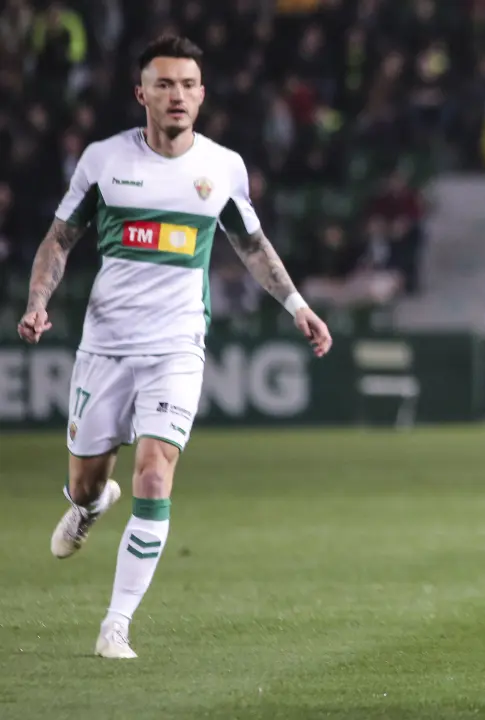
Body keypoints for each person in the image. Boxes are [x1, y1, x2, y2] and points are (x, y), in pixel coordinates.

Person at [16, 35, 332, 659]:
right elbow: (58, 239)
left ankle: (116, 625)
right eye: (164, 84)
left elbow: (252, 245)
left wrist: (297, 305)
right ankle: (89, 504)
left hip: (176, 347)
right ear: (142, 94)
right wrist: (37, 302)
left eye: (187, 84)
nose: (177, 95)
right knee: (87, 483)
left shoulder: (222, 167)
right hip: (106, 347)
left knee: (155, 476)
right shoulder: (104, 161)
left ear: (202, 94)